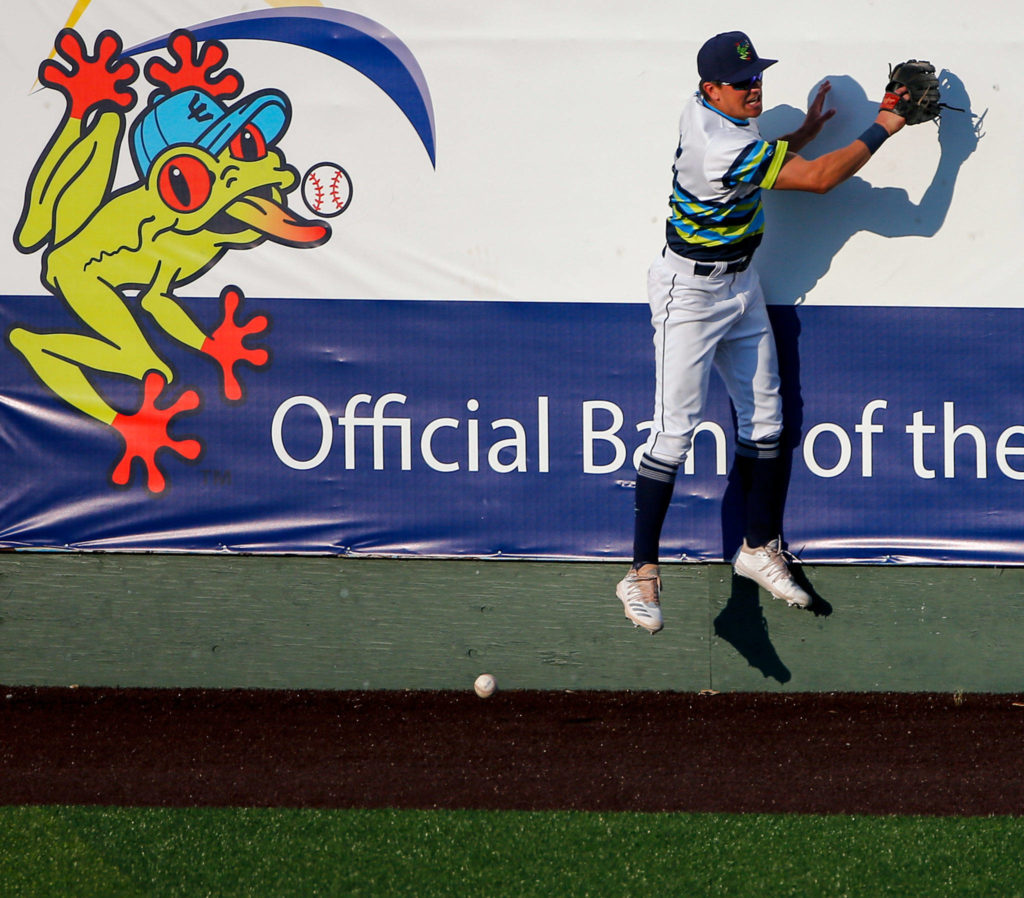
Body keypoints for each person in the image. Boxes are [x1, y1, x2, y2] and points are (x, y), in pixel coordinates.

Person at [617, 31, 910, 634]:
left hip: (740, 284)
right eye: (742, 82)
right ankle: (640, 572)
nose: (755, 89)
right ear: (710, 89)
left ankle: (756, 549)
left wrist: (798, 135)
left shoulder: (713, 114)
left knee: (767, 422)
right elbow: (823, 179)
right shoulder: (717, 144)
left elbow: (767, 160)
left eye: (757, 78)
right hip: (689, 294)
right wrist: (885, 123)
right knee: (673, 435)